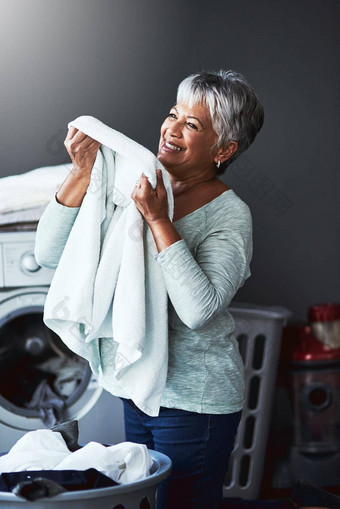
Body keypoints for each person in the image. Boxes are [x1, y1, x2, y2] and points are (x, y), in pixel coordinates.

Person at [35, 70, 264, 508]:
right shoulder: (134, 184)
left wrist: (159, 221)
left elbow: (200, 309)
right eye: (174, 114)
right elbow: (48, 252)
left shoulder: (230, 215)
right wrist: (82, 173)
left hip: (195, 401)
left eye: (192, 125)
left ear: (225, 149)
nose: (171, 129)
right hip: (139, 384)